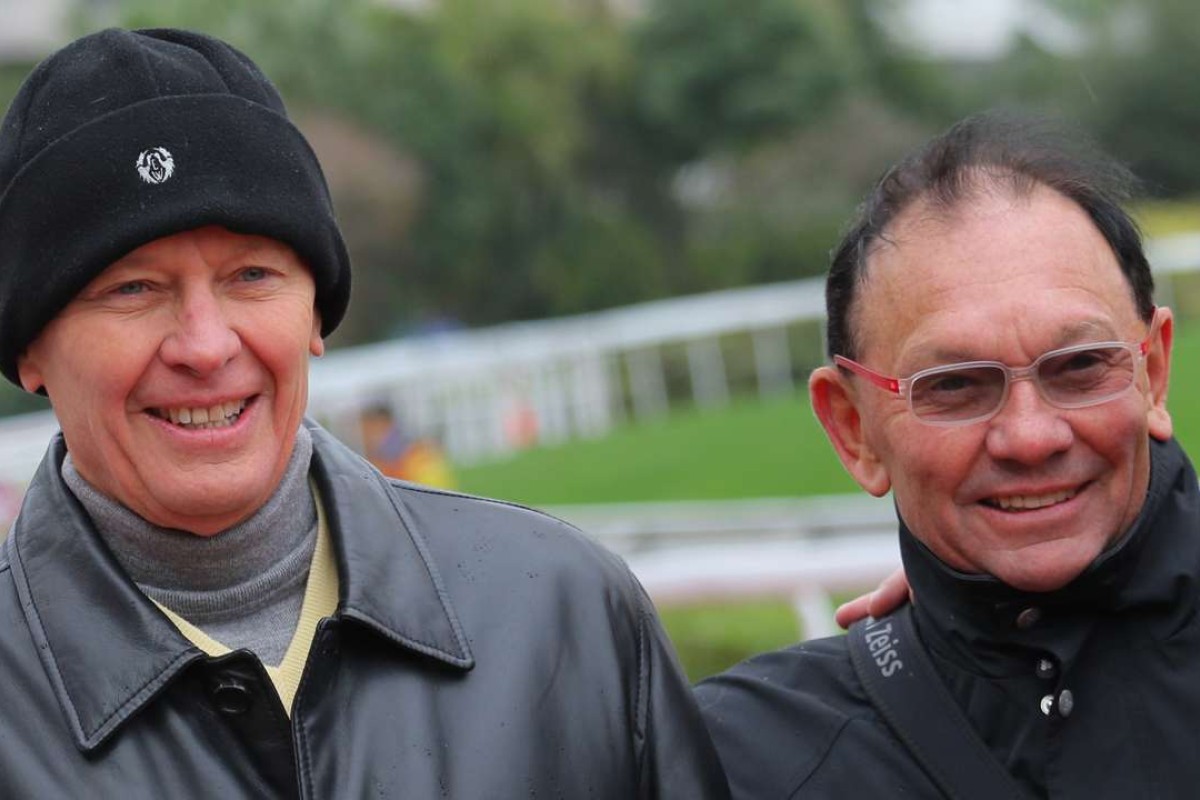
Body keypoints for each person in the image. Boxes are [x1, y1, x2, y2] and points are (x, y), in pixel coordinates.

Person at [0, 28, 730, 797]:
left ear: (317, 312)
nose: (206, 347)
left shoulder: (565, 608)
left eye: (251, 275)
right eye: (132, 289)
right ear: (29, 353)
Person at [695, 112, 1195, 798]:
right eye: (954, 386)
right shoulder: (736, 759)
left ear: (1153, 371)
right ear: (853, 430)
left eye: (1079, 366)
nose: (1030, 437)